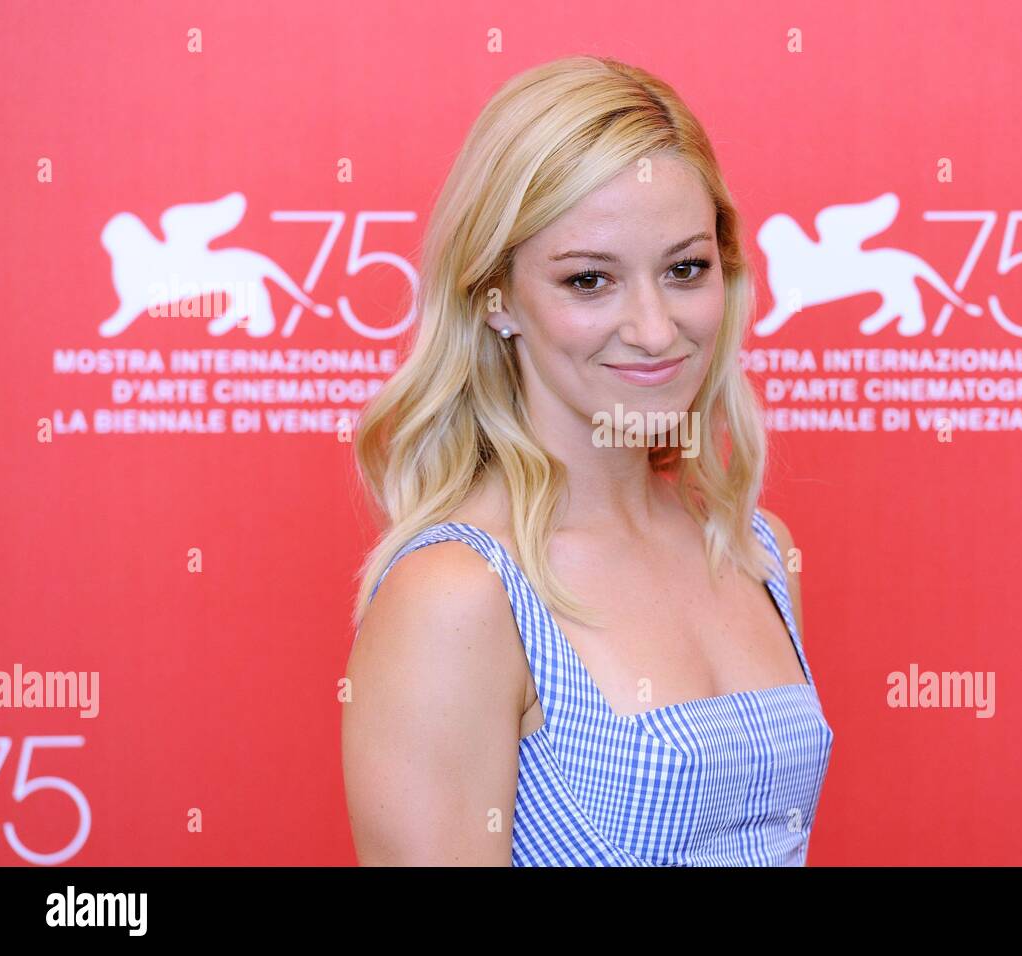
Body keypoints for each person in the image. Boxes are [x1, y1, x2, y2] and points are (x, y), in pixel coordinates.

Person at [341, 54, 833, 866]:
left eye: (684, 270)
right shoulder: (460, 596)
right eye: (589, 281)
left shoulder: (757, 550)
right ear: (496, 300)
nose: (652, 328)